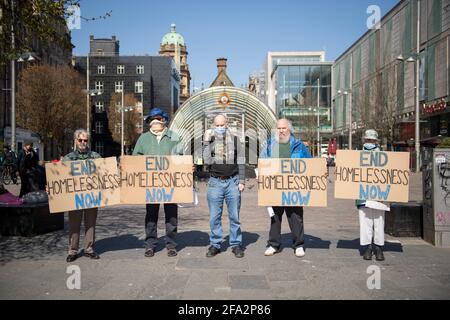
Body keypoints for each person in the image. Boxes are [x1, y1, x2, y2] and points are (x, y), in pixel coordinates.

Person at [133, 108, 184, 258]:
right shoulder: (143, 139)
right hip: (151, 184)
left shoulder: (174, 137)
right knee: (151, 214)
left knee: (172, 215)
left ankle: (171, 245)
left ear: (164, 120)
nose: (155, 121)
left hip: (170, 183)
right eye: (152, 118)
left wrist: (188, 166)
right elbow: (136, 158)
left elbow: (181, 157)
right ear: (149, 121)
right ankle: (150, 244)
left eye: (158, 118)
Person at [260, 119, 312, 257]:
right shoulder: (268, 145)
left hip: (294, 188)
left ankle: (298, 244)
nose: (281, 130)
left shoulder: (299, 145)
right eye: (278, 128)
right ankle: (273, 244)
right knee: (275, 217)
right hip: (275, 187)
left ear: (289, 129)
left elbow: (310, 163)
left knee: (295, 216)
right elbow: (262, 162)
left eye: (284, 128)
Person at [203, 114, 246, 258]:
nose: (220, 128)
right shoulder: (210, 140)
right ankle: (215, 244)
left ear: (226, 124)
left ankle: (236, 244)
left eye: (222, 125)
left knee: (234, 216)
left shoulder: (235, 139)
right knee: (215, 216)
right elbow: (206, 160)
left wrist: (242, 181)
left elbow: (241, 160)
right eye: (217, 125)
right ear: (213, 125)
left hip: (233, 182)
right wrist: (209, 143)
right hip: (215, 182)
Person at [62, 129, 102, 262]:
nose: (83, 142)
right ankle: (73, 250)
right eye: (80, 140)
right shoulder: (68, 158)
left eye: (85, 140)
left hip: (91, 196)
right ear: (75, 141)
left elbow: (105, 172)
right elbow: (60, 177)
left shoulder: (96, 156)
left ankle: (89, 249)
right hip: (75, 197)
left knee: (90, 223)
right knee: (74, 224)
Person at [356, 129, 386, 261]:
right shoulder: (357, 155)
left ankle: (379, 247)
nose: (370, 142)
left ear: (376, 141)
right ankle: (367, 247)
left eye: (372, 140)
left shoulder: (384, 155)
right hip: (363, 194)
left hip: (380, 195)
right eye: (368, 140)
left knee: (379, 222)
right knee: (365, 222)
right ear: (364, 140)